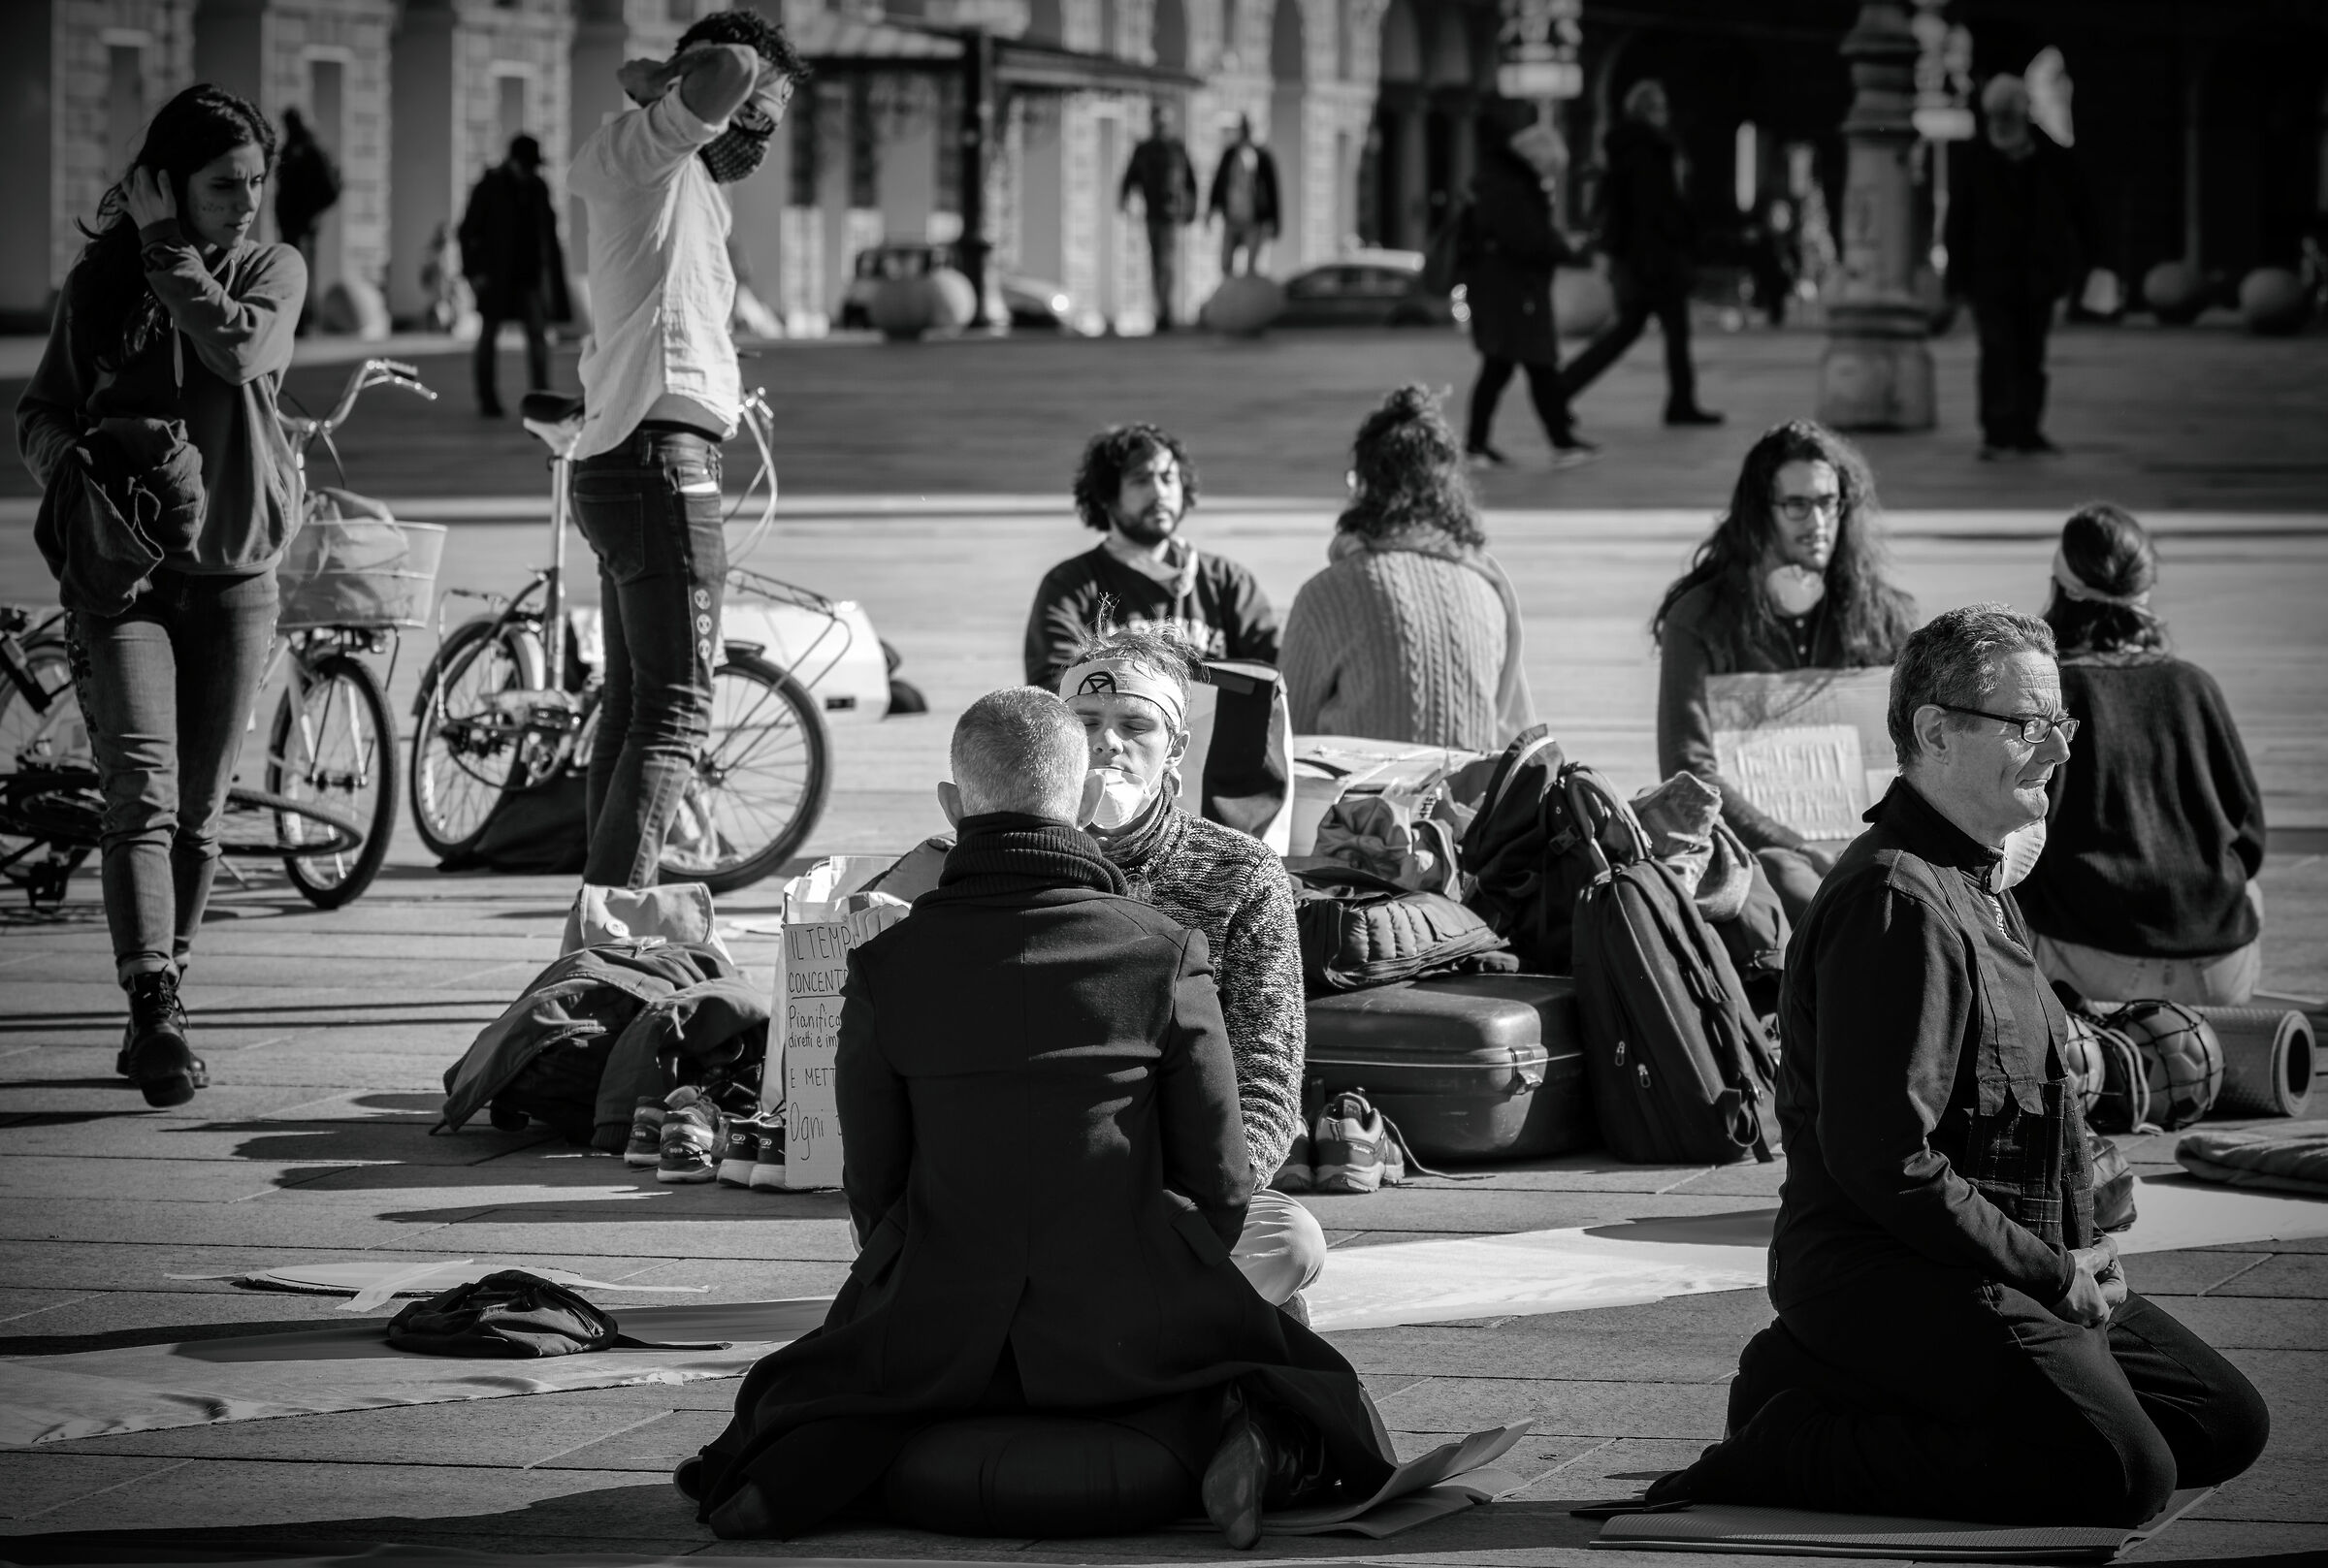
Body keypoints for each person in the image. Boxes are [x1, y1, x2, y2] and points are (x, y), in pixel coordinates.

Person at [684, 688, 1395, 1543]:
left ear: (952, 804)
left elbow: (872, 1184)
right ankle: (1239, 1444)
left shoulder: (886, 965)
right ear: (1086, 797)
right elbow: (1220, 1180)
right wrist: (1167, 1276)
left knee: (821, 1385)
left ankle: (803, 1470)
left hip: (944, 1308)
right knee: (1286, 1378)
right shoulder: (1161, 951)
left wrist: (918, 1280)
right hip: (1125, 1321)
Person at [1648, 606, 2270, 1525]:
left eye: (2060, 725)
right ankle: (1792, 1432)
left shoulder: (1982, 884)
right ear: (1936, 730)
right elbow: (1886, 1161)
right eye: (2028, 727)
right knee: (2122, 1474)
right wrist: (2054, 1275)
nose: (2056, 752)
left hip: (1994, 1257)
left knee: (2220, 1422)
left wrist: (2082, 1247)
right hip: (1885, 1275)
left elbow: (2025, 1116)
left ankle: (1891, 1393)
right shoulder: (1897, 901)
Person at [16, 85, 304, 1108]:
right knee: (140, 792)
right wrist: (73, 464)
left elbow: (236, 349)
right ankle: (154, 1006)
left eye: (257, 184)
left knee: (199, 814)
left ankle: (166, 990)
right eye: (225, 185)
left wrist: (163, 248)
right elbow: (38, 408)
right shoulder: (97, 288)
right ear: (168, 181)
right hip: (122, 576)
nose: (247, 203)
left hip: (234, 578)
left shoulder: (273, 269)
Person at [566, 8, 802, 888]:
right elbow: (738, 62)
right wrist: (667, 76)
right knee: (676, 712)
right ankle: (615, 932)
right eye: (760, 115)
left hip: (636, 458)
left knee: (634, 710)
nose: (762, 134)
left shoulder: (676, 172)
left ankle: (597, 925)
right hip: (660, 467)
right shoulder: (652, 149)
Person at [1058, 629, 1325, 1314]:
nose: (1107, 743)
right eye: (1086, 723)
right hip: (1043, 1179)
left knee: (1290, 1240)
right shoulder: (1013, 856)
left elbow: (1268, 1076)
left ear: (1175, 746)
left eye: (1134, 724)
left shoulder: (1240, 871)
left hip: (1188, 1186)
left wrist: (1203, 1192)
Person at [1651, 421, 1916, 919]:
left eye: (1828, 502)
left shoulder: (1881, 614)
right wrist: (1791, 843)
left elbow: (1916, 745)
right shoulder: (1700, 619)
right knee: (1798, 885)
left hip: (1869, 840)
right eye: (1797, 504)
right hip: (1753, 851)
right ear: (1759, 513)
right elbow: (1688, 769)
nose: (1817, 520)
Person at [2019, 504, 2267, 1005]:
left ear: (2061, 585)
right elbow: (2249, 840)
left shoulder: (2052, 691)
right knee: (2251, 894)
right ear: (2144, 588)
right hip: (2219, 969)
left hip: (2091, 965)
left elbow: (2017, 838)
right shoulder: (2195, 685)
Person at [1281, 385, 1534, 750]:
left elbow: (1285, 732)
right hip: (1468, 802)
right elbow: (1511, 727)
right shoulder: (1489, 586)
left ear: (1364, 487)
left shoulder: (1325, 594)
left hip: (1357, 804)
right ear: (1448, 492)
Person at [1022, 423, 1278, 690]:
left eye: (1168, 478)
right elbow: (1053, 691)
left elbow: (1277, 673)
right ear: (1106, 496)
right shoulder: (1069, 585)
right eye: (1141, 480)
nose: (1159, 493)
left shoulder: (1227, 581)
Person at [1945, 75, 2096, 460]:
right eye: (1994, 115)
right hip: (1990, 277)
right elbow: (1958, 224)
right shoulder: (1976, 160)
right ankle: (1997, 432)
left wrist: (2092, 264)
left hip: (2039, 275)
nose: (2001, 123)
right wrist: (1957, 281)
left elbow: (2083, 212)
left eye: (2007, 115)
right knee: (1997, 352)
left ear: (2024, 115)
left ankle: (2027, 429)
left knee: (2031, 354)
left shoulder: (2053, 159)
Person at [1556, 80, 1722, 427]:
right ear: (1647, 111)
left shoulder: (1624, 150)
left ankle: (1561, 388)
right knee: (1671, 333)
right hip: (1655, 260)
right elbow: (1657, 208)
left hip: (1638, 259)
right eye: (1659, 106)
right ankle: (1680, 403)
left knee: (1630, 332)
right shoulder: (1650, 151)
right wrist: (1681, 239)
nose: (1666, 113)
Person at [1460, 110, 1594, 469]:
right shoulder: (1511, 188)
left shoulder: (1501, 181)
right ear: (1536, 160)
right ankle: (1559, 442)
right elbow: (1527, 240)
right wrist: (1564, 250)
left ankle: (1479, 444)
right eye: (1549, 170)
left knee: (1504, 366)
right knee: (1537, 363)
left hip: (1505, 289)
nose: (1549, 178)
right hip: (1514, 291)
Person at [458, 134, 571, 418]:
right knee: (488, 336)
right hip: (496, 278)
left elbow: (548, 235)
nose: (530, 171)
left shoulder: (537, 187)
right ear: (514, 162)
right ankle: (488, 400)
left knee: (538, 337)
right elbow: (467, 232)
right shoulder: (490, 187)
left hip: (530, 278)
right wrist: (474, 272)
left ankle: (542, 400)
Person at [1121, 102, 1200, 331]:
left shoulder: (1176, 148)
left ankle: (1166, 310)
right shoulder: (1144, 149)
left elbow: (1191, 182)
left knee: (1166, 262)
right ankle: (1161, 309)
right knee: (1156, 263)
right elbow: (1130, 177)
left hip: (1171, 214)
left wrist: (1191, 208)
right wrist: (1124, 200)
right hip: (1152, 213)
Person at [272, 108, 339, 335]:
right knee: (293, 271)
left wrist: (310, 213)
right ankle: (300, 321)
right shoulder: (292, 148)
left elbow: (329, 189)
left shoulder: (309, 151)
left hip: (302, 224)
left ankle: (305, 321)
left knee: (301, 272)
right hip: (292, 223)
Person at [1208, 116, 1280, 277]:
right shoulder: (1230, 154)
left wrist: (1275, 221)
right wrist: (1212, 209)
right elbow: (1219, 182)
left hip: (1253, 220)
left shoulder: (1261, 155)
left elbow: (1272, 190)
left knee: (1251, 267)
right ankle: (1230, 298)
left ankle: (1246, 299)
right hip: (1232, 218)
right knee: (1226, 264)